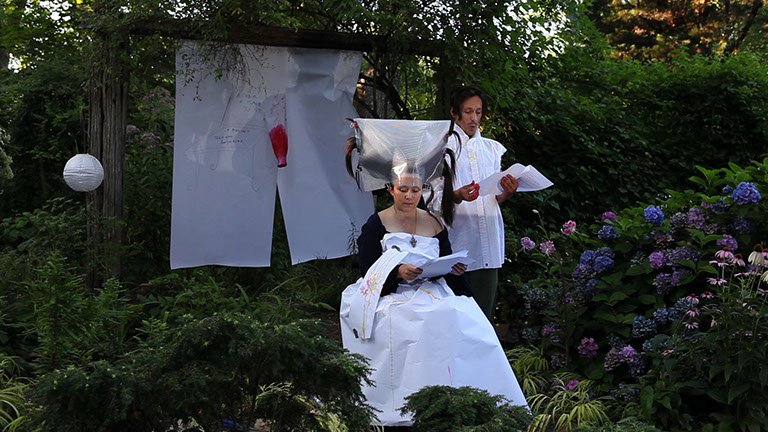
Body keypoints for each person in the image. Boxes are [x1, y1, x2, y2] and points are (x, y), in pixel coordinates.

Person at [340, 120, 527, 426]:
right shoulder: (377, 223)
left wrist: (452, 269)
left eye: (415, 190)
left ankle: (466, 398)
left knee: (464, 316)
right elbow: (368, 268)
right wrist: (397, 272)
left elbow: (444, 260)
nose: (409, 196)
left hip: (433, 290)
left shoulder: (434, 222)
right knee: (414, 320)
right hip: (391, 295)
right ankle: (405, 403)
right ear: (390, 189)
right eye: (403, 190)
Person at [430, 85, 519, 322]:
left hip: (489, 242)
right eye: (468, 112)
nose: (474, 118)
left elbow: (494, 197)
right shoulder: (440, 148)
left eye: (478, 112)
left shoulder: (491, 149)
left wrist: (506, 193)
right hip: (458, 241)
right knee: (454, 319)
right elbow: (430, 200)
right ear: (454, 112)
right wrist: (457, 195)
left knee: (484, 319)